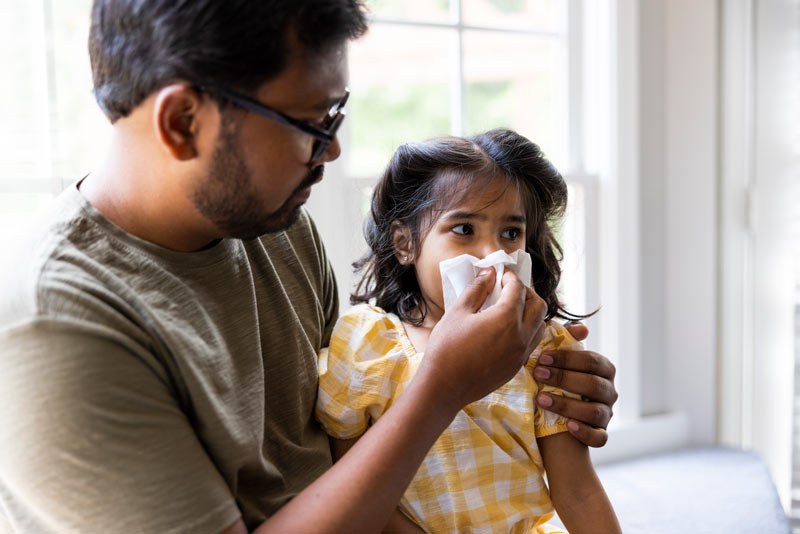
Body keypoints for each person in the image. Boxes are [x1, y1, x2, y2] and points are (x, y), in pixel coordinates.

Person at [0, 2, 618, 533]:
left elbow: (348, 431)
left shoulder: (276, 226)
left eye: (337, 115)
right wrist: (446, 386)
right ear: (183, 122)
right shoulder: (56, 327)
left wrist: (524, 387)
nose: (335, 150)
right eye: (310, 125)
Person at [315, 129, 620, 534]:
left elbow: (578, 491)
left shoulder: (541, 349)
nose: (491, 254)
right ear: (405, 244)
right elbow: (350, 484)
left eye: (511, 233)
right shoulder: (365, 344)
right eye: (464, 230)